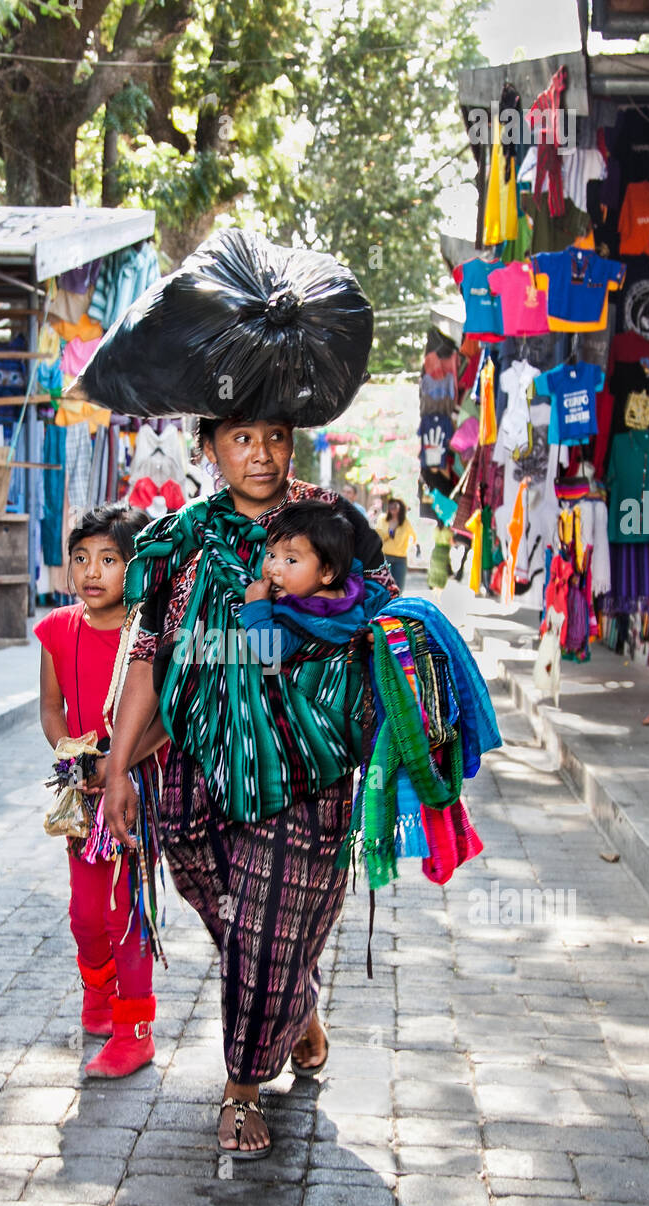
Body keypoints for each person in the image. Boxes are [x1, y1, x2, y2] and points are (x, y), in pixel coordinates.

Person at [103, 418, 398, 1159]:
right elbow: (147, 655)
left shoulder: (335, 525)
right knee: (233, 913)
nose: (259, 451)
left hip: (309, 769)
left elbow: (384, 629)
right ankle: (293, 1006)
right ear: (207, 448)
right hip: (202, 767)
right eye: (240, 437)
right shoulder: (177, 541)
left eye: (274, 434)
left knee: (270, 925)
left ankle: (241, 1089)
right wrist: (117, 767)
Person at [36, 503, 167, 1079]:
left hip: (136, 788)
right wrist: (72, 755)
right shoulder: (57, 631)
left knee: (125, 911)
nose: (92, 572)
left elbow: (165, 717)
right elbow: (50, 708)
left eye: (110, 560)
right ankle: (99, 991)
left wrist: (114, 765)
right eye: (82, 559)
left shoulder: (149, 637)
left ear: (134, 569)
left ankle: (135, 1030)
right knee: (85, 915)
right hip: (80, 791)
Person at [240, 500, 373, 666]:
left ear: (327, 572)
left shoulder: (303, 615)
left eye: (290, 560)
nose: (273, 569)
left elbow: (270, 651)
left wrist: (256, 605)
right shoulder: (354, 587)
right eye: (271, 555)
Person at [376, 497, 418, 590]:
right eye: (391, 506)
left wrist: (412, 548)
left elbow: (414, 537)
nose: (393, 509)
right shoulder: (382, 519)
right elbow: (379, 537)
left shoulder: (405, 522)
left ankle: (397, 604)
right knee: (384, 587)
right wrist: (391, 529)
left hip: (401, 558)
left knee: (399, 588)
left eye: (396, 506)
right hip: (385, 557)